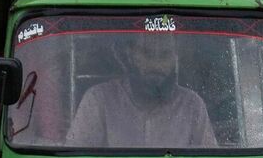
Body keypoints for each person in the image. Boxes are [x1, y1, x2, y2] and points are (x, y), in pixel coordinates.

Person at [65, 34, 217, 149]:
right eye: (147, 54)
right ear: (131, 54)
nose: (156, 65)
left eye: (165, 55)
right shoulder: (98, 100)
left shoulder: (192, 105)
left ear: (175, 57)